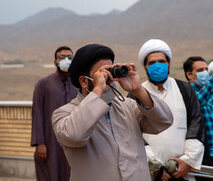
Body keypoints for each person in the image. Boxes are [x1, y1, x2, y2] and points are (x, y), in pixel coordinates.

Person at [51, 43, 174, 181]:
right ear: (84, 82)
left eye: (110, 71)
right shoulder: (64, 114)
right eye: (102, 74)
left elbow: (164, 121)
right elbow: (74, 136)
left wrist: (138, 89)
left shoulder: (128, 106)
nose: (109, 77)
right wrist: (98, 90)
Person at [135, 39, 205, 181]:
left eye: (161, 61)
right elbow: (134, 135)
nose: (157, 66)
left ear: (169, 64)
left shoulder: (185, 90)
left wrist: (188, 161)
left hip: (183, 171)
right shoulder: (136, 94)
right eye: (152, 63)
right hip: (151, 174)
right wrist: (154, 166)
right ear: (145, 67)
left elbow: (196, 124)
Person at [31, 46, 78, 181]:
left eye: (69, 57)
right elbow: (37, 114)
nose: (66, 60)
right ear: (55, 62)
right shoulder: (43, 84)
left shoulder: (78, 84)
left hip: (72, 141)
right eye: (62, 58)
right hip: (49, 143)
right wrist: (40, 143)